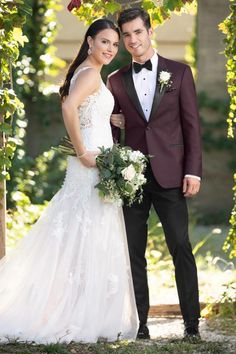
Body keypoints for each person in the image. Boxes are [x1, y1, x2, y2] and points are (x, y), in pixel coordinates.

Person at [0, 19, 138, 344]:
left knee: (82, 231)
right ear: (89, 41)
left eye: (115, 45)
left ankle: (76, 310)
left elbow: (86, 110)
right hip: (88, 162)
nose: (110, 49)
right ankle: (65, 313)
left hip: (96, 161)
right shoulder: (90, 73)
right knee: (83, 230)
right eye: (104, 42)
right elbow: (69, 106)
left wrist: (109, 118)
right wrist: (83, 152)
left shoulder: (90, 73)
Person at [108, 8, 202, 340]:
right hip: (132, 179)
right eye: (127, 35)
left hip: (172, 175)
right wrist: (112, 121)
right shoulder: (114, 80)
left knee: (181, 246)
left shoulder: (179, 72)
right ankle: (141, 324)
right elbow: (110, 127)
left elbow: (191, 126)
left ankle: (192, 325)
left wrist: (193, 171)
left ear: (150, 31)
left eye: (138, 32)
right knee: (134, 251)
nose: (133, 40)